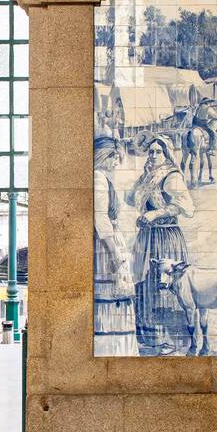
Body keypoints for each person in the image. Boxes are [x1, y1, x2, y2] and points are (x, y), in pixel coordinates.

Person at [125, 133, 195, 355]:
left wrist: (155, 214)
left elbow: (184, 206)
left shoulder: (171, 176)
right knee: (145, 283)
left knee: (164, 285)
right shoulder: (149, 175)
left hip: (166, 237)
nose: (153, 155)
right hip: (147, 238)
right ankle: (150, 337)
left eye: (158, 151)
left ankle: (171, 340)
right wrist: (142, 178)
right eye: (151, 152)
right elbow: (130, 199)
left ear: (166, 154)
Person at [94, 137, 137, 355]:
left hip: (109, 242)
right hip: (105, 246)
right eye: (114, 157)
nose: (116, 163)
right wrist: (114, 253)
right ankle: (113, 348)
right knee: (112, 293)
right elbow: (100, 217)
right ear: (106, 156)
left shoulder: (103, 178)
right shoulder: (99, 178)